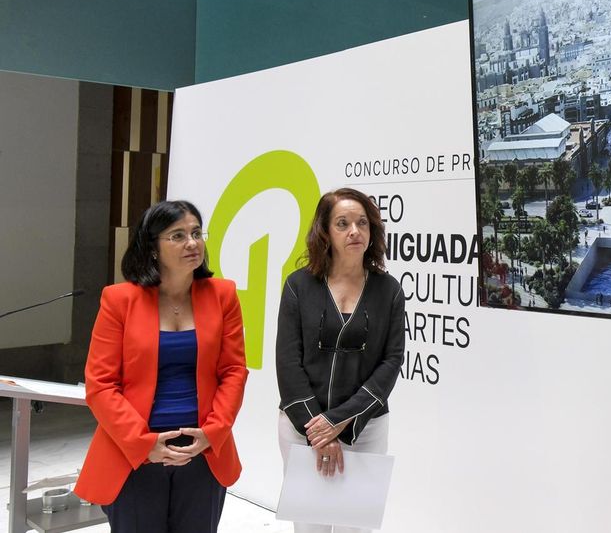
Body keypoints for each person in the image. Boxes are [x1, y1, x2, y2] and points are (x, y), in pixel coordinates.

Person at [76, 201, 248, 532]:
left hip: (203, 451)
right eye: (178, 235)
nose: (193, 243)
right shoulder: (119, 300)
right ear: (152, 247)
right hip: (135, 453)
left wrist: (212, 434)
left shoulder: (223, 295)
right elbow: (100, 384)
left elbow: (233, 372)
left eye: (197, 233)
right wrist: (144, 443)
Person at [276, 188, 406, 533]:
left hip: (367, 429)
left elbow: (392, 361)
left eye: (362, 223)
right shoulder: (298, 286)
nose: (355, 231)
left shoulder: (389, 289)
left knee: (357, 528)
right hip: (302, 427)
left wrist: (340, 421)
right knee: (310, 527)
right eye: (343, 223)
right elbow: (288, 363)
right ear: (325, 232)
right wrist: (320, 430)